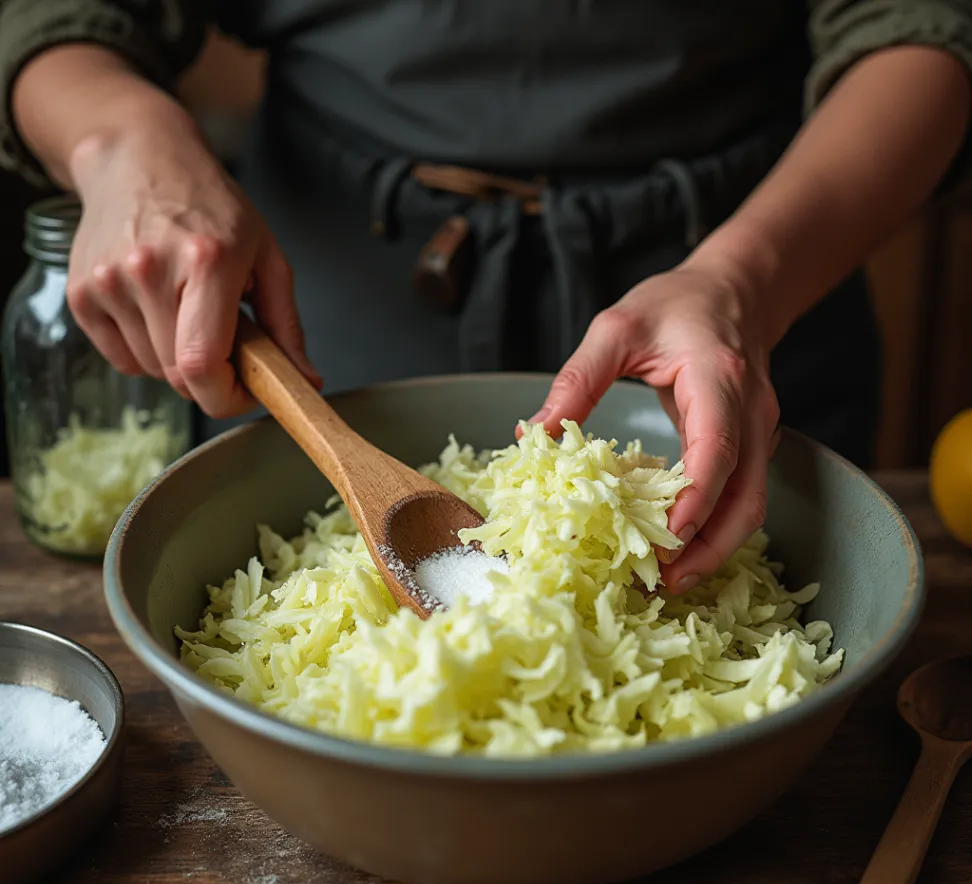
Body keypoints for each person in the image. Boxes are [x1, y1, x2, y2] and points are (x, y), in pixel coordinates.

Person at [1, 2, 969, 593]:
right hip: (333, 295)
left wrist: (743, 283)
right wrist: (120, 139)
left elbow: (922, 27)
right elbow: (59, 14)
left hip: (750, 282)